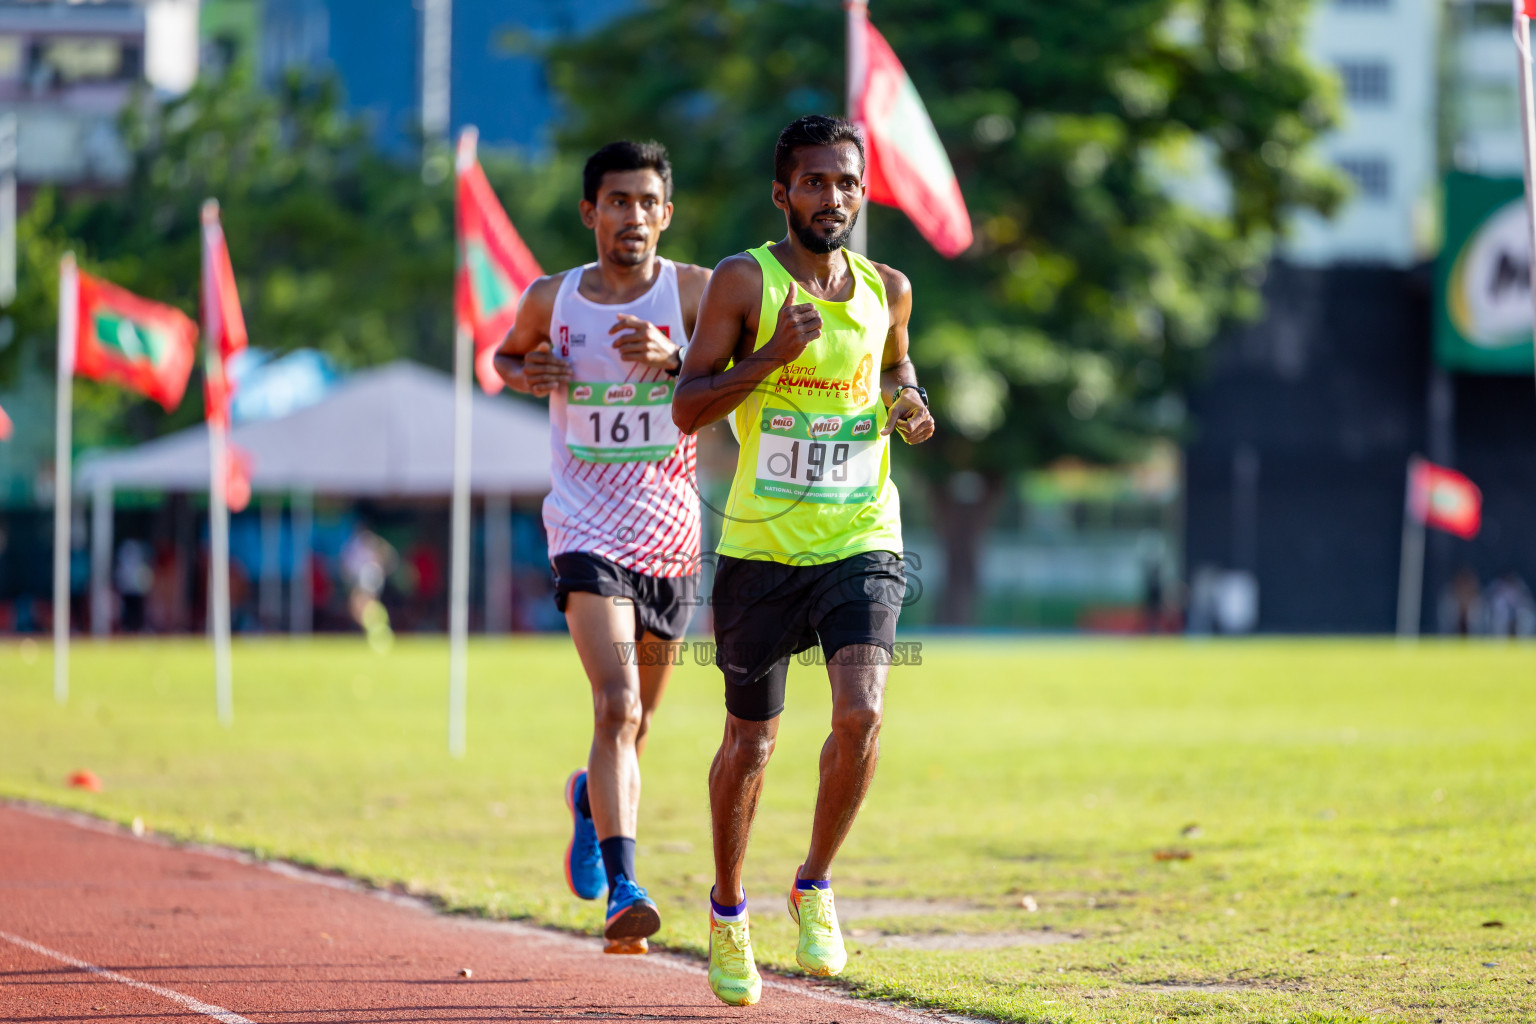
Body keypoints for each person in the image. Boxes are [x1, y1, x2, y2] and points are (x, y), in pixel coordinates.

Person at [672, 114, 935, 1006]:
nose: (835, 199)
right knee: (751, 743)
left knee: (862, 714)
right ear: (783, 193)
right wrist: (774, 356)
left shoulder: (888, 287)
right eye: (817, 183)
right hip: (759, 549)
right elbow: (689, 407)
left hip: (862, 536)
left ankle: (815, 883)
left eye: (849, 183)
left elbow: (897, 369)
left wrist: (910, 404)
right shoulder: (746, 280)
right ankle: (729, 910)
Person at [494, 140, 710, 955]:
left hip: (673, 530)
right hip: (584, 523)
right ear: (590, 212)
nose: (632, 216)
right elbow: (503, 355)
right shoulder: (552, 297)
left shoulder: (691, 291)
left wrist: (679, 359)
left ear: (666, 213)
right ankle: (626, 886)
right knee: (615, 705)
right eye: (616, 201)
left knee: (641, 721)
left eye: (646, 201)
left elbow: (734, 381)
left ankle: (590, 797)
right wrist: (529, 373)